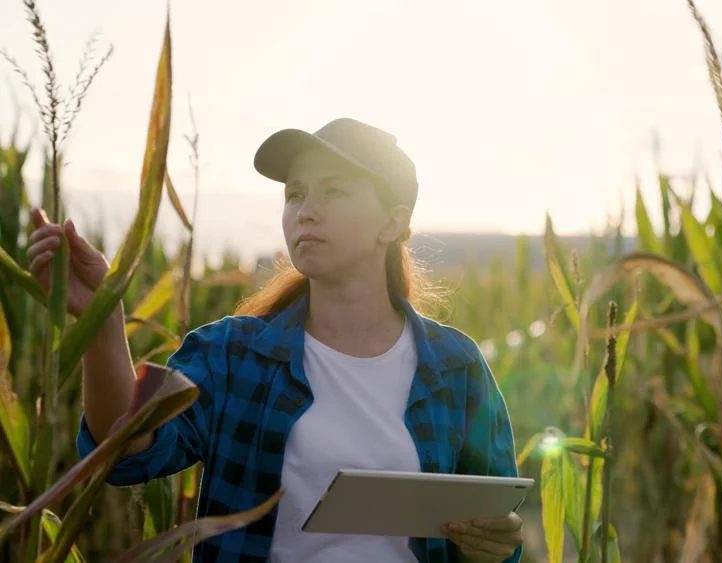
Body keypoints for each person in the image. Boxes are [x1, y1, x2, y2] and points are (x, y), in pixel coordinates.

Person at [26, 118, 524, 563]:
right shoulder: (231, 354)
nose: (305, 211)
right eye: (295, 194)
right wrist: (102, 318)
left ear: (392, 223)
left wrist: (494, 547)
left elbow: (497, 526)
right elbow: (128, 451)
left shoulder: (455, 365)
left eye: (334, 192)